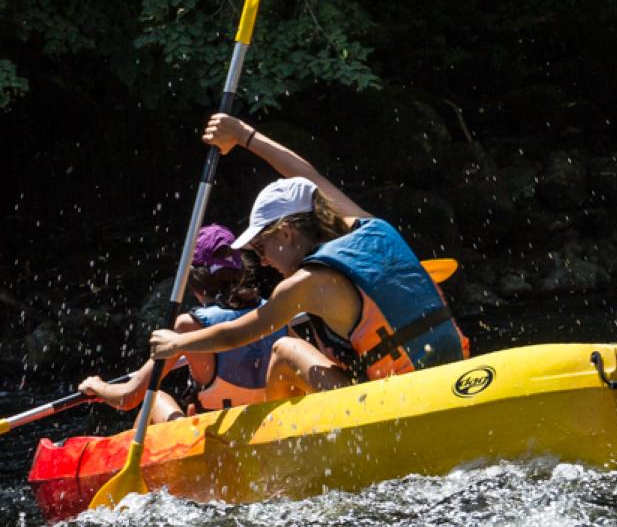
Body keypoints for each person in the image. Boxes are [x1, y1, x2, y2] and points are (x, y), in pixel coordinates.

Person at [149, 115, 468, 399]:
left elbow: (238, 333)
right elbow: (311, 179)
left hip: (397, 401)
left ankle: (277, 450)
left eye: (261, 247)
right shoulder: (373, 227)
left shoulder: (303, 284)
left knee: (285, 348)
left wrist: (178, 344)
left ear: (286, 233)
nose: (262, 262)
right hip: (453, 374)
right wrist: (245, 136)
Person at [78, 223, 286, 421]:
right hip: (270, 421)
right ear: (240, 273)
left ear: (192, 281)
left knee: (155, 399)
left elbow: (128, 398)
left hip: (219, 439)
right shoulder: (274, 310)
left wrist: (96, 386)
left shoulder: (188, 325)